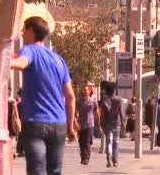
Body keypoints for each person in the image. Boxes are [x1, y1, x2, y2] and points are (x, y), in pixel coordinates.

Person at [10, 16, 76, 175]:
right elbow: (70, 96)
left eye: (23, 30)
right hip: (58, 124)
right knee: (55, 170)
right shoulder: (59, 60)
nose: (22, 34)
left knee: (37, 170)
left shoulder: (29, 50)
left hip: (35, 123)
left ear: (30, 30)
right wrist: (70, 126)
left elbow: (21, 63)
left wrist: (1, 59)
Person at [98, 82, 124, 168]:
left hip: (107, 124)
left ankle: (109, 160)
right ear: (114, 90)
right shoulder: (119, 100)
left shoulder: (105, 101)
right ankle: (115, 161)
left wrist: (101, 124)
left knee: (108, 142)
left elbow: (102, 114)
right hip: (117, 124)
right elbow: (121, 113)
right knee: (116, 142)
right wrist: (123, 123)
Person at [76, 85, 100, 165]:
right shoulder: (79, 101)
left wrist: (99, 124)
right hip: (81, 124)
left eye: (86, 90)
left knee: (86, 141)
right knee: (81, 142)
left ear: (89, 91)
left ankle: (86, 158)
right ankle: (83, 157)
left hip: (90, 124)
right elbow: (75, 112)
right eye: (83, 90)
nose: (84, 91)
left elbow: (97, 112)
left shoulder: (93, 101)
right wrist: (74, 122)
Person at [8, 89, 22, 158]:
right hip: (11, 121)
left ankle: (11, 152)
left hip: (9, 121)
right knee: (12, 138)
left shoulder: (13, 101)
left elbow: (16, 113)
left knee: (12, 137)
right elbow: (16, 114)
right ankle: (11, 152)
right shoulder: (13, 101)